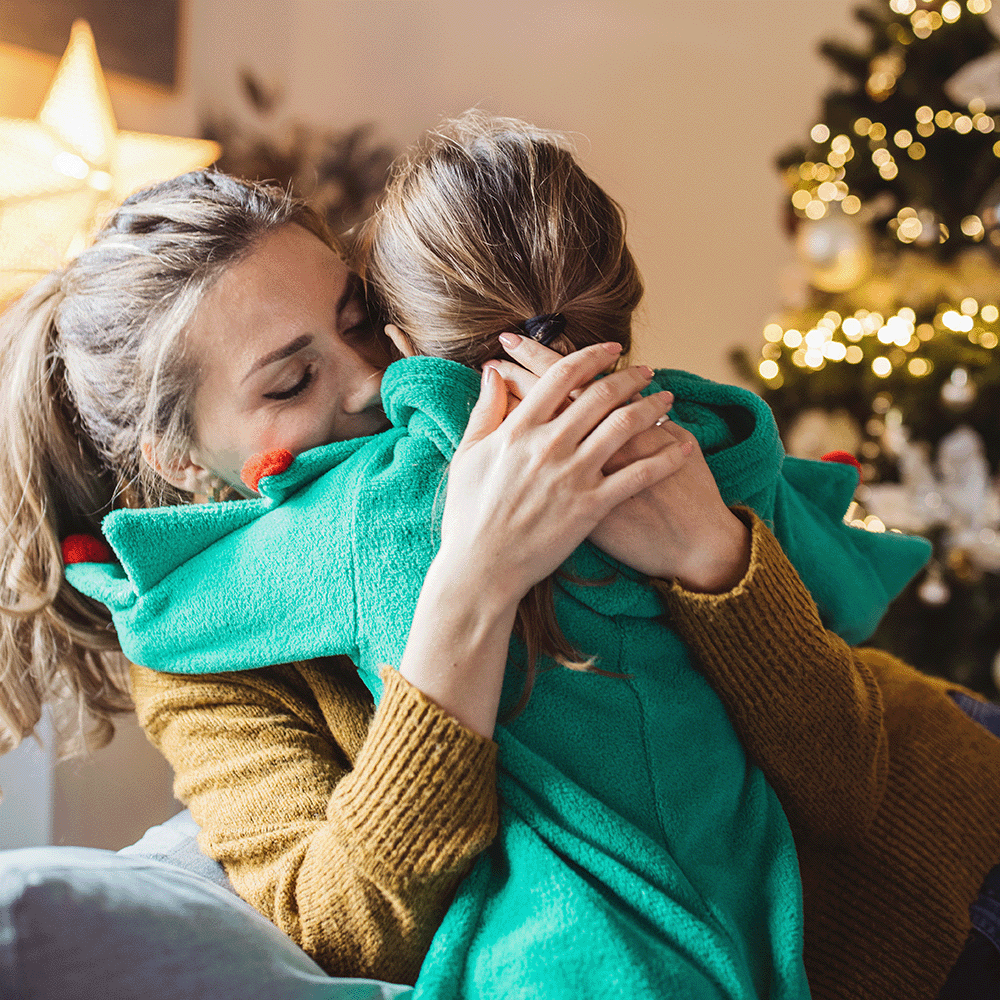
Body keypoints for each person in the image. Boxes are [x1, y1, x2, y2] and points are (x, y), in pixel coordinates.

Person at [59, 115, 929, 999]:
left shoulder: (583, 432)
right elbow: (340, 929)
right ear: (178, 458)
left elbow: (849, 789)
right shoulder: (208, 644)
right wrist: (472, 584)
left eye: (362, 323)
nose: (371, 381)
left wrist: (714, 557)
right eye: (290, 382)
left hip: (928, 882)